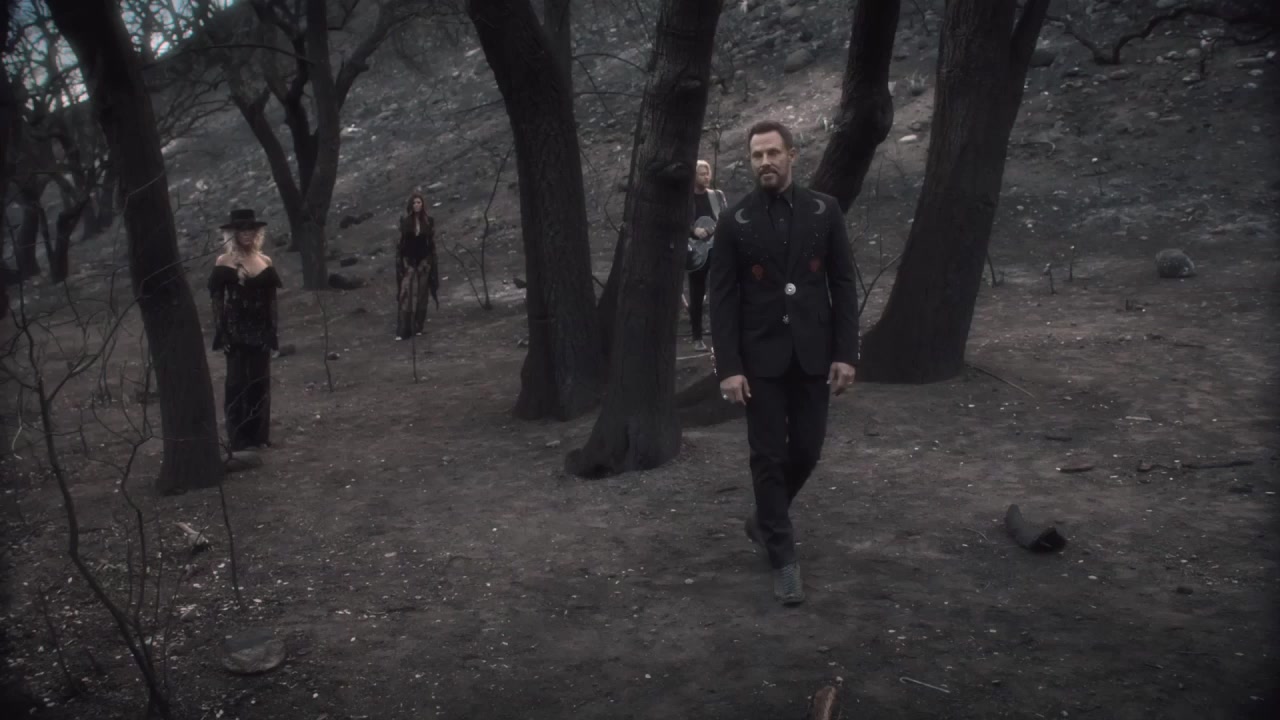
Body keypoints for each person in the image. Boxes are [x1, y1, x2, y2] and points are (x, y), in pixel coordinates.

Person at [708, 121, 859, 606]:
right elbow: (722, 299)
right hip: (760, 360)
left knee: (808, 450)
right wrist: (729, 367)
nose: (765, 162)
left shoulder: (824, 211)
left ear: (792, 155)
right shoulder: (735, 220)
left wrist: (846, 353)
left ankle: (764, 519)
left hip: (813, 354)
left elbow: (843, 284)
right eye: (757, 156)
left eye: (773, 153)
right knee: (768, 456)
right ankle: (783, 556)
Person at [209, 208, 283, 451]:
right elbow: (217, 302)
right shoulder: (224, 261)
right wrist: (222, 333)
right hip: (236, 332)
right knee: (236, 385)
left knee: (259, 385)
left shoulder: (265, 261)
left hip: (260, 332)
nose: (247, 233)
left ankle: (258, 437)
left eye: (251, 229)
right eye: (242, 230)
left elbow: (271, 302)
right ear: (233, 233)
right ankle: (238, 439)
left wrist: (271, 332)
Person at [686, 160, 729, 352]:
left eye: (707, 173)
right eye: (702, 174)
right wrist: (693, 230)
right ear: (694, 176)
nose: (706, 177)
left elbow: (725, 218)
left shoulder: (717, 196)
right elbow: (680, 222)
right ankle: (697, 337)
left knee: (720, 291)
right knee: (696, 294)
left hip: (717, 250)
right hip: (695, 252)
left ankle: (722, 333)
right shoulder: (686, 199)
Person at [396, 191, 439, 340]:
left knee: (422, 294)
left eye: (419, 202)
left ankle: (418, 326)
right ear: (411, 205)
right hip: (409, 260)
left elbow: (431, 242)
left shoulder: (429, 221)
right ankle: (404, 328)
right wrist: (403, 261)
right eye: (414, 203)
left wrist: (430, 260)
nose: (417, 205)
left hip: (424, 260)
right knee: (405, 291)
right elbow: (402, 243)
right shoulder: (405, 221)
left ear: (422, 204)